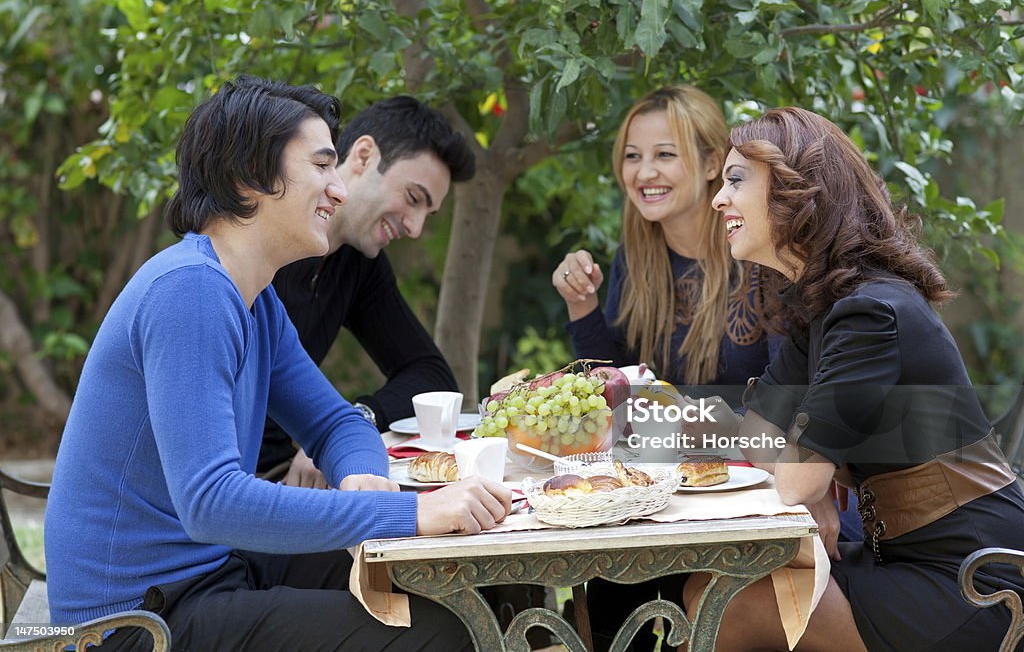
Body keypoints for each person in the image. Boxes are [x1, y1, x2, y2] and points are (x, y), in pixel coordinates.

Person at [43, 77, 510, 651]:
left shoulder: (253, 298)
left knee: (464, 589)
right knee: (442, 634)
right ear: (252, 177)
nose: (338, 190)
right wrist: (408, 513)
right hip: (131, 623)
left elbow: (337, 423)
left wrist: (363, 477)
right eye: (321, 166)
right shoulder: (191, 291)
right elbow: (211, 501)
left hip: (209, 573)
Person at [682, 106, 1024, 651]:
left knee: (728, 607)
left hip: (973, 579)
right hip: (908, 557)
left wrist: (808, 469)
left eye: (736, 180)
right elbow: (756, 438)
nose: (719, 199)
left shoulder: (869, 312)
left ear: (797, 191)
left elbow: (796, 481)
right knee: (709, 590)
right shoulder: (821, 309)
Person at [551, 86, 777, 651]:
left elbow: (787, 395)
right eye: (633, 155)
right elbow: (619, 382)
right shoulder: (638, 255)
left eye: (664, 154)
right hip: (656, 489)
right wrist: (582, 307)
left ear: (708, 165)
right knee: (599, 587)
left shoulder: (758, 254)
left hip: (743, 495)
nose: (644, 171)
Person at [258, 96, 475, 488]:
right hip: (212, 500)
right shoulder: (258, 244)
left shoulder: (358, 263)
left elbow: (432, 376)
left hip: (279, 484)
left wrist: (355, 421)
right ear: (362, 156)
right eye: (413, 198)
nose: (416, 228)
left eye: (428, 213)